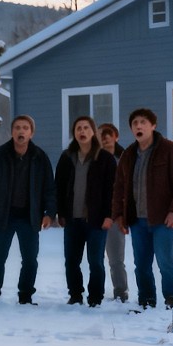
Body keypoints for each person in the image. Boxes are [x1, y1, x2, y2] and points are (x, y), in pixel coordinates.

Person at [111, 108, 173, 310]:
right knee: (142, 264)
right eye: (135, 123)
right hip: (138, 219)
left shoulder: (171, 150)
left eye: (143, 122)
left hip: (164, 218)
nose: (138, 126)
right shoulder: (128, 155)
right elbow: (119, 186)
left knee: (165, 261)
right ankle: (146, 300)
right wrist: (119, 214)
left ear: (153, 126)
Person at [0, 114, 56, 305]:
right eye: (17, 128)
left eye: (25, 128)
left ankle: (26, 296)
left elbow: (49, 189)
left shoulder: (40, 157)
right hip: (3, 216)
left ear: (31, 132)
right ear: (12, 132)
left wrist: (50, 213)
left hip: (30, 217)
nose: (21, 131)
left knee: (30, 260)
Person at [54, 116, 117, 306]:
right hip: (72, 220)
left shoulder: (105, 158)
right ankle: (75, 295)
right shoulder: (67, 157)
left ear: (93, 132)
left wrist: (109, 215)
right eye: (78, 128)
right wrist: (61, 213)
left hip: (96, 220)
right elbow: (58, 187)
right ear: (74, 133)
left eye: (86, 128)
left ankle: (95, 297)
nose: (82, 131)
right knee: (71, 261)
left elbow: (112, 190)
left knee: (95, 262)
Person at [98, 123, 128, 301]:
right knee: (94, 258)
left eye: (108, 133)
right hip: (95, 214)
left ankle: (120, 290)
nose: (104, 137)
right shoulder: (93, 159)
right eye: (100, 134)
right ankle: (96, 291)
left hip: (116, 215)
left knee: (116, 258)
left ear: (116, 136)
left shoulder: (125, 158)